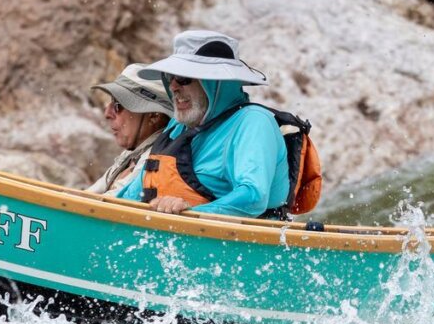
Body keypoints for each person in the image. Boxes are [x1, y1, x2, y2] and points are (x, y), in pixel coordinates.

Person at [117, 30, 291, 219]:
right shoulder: (178, 126)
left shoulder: (254, 122)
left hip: (238, 244)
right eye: (169, 77)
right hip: (173, 237)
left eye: (183, 78)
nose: (174, 87)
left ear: (215, 82)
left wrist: (190, 213)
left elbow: (253, 197)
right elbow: (132, 194)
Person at [86, 64, 174, 194]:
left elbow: (104, 204)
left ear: (154, 116)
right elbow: (87, 195)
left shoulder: (158, 160)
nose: (107, 113)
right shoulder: (133, 153)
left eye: (118, 105)